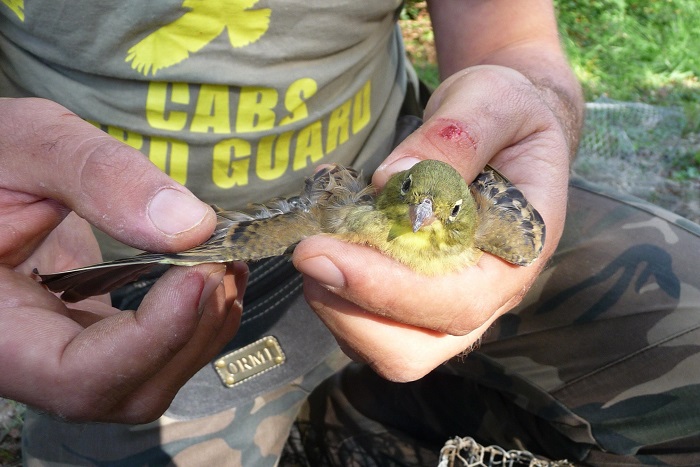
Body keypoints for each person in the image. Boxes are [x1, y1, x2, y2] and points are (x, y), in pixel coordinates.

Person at [0, 0, 697, 465]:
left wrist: (529, 100)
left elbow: (509, 35)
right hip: (155, 271)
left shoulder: (479, 223)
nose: (424, 222)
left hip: (385, 151)